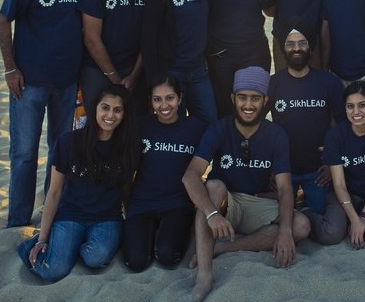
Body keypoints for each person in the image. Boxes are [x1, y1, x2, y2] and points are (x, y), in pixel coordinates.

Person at [182, 66, 310, 302]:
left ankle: (220, 247)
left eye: (255, 98)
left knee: (300, 226)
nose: (248, 105)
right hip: (225, 201)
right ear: (233, 99)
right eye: (242, 97)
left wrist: (285, 230)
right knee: (213, 187)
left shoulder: (276, 134)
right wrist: (212, 214)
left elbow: (284, 188)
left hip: (255, 201)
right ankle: (204, 275)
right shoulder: (219, 129)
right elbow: (190, 176)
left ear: (265, 101)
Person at [0, 0, 93, 228]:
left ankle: (51, 213)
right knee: (24, 154)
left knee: (59, 152)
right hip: (29, 84)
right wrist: (10, 68)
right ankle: (18, 221)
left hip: (67, 83)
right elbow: (3, 19)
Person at [17, 84, 139, 282]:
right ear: (94, 108)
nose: (110, 115)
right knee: (53, 271)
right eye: (105, 107)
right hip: (70, 215)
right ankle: (32, 245)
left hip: (107, 218)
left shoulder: (127, 146)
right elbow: (54, 192)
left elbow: (126, 188)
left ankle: (72, 245)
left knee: (96, 258)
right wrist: (42, 239)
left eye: (117, 110)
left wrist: (131, 224)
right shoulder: (68, 142)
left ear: (124, 114)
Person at [122, 75, 207, 271]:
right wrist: (127, 205)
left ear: (180, 98)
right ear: (150, 101)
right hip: (142, 203)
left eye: (169, 98)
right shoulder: (140, 126)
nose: (164, 105)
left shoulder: (196, 128)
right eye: (157, 99)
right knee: (136, 262)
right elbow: (125, 167)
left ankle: (166, 233)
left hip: (177, 204)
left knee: (167, 256)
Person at [304, 80, 365, 248]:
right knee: (331, 234)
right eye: (350, 106)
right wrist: (355, 220)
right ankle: (306, 214)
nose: (356, 112)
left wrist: (363, 217)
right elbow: (339, 184)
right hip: (344, 196)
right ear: (345, 108)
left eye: (362, 105)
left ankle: (349, 223)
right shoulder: (335, 135)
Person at [141, 0, 217, 124]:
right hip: (172, 74)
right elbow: (148, 40)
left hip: (199, 71)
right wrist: (154, 83)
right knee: (175, 128)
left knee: (210, 124)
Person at [268, 21, 345, 214]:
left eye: (302, 43)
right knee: (281, 217)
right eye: (290, 44)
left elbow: (343, 126)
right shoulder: (272, 84)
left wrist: (332, 164)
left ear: (310, 48)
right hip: (284, 170)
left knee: (317, 217)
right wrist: (269, 166)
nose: (296, 48)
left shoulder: (329, 82)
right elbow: (257, 126)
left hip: (318, 172)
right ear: (283, 49)